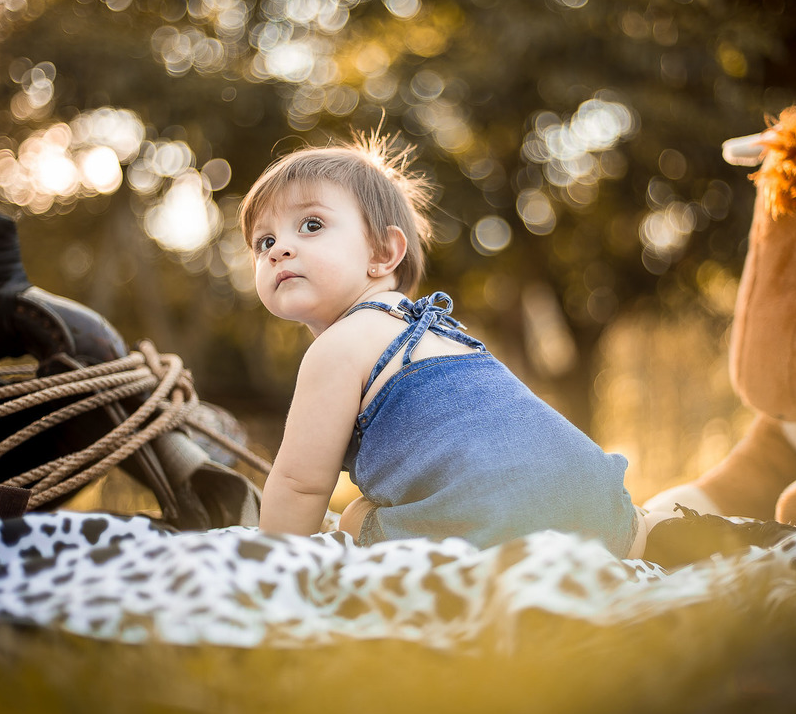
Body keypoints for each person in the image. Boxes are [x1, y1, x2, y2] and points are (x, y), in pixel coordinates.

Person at [238, 135, 681, 559]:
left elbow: (299, 485)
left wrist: (270, 570)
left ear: (383, 253)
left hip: (491, 524)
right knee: (621, 525)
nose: (280, 250)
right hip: (596, 501)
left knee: (354, 517)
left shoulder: (337, 348)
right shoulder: (442, 331)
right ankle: (670, 537)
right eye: (264, 241)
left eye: (310, 225)